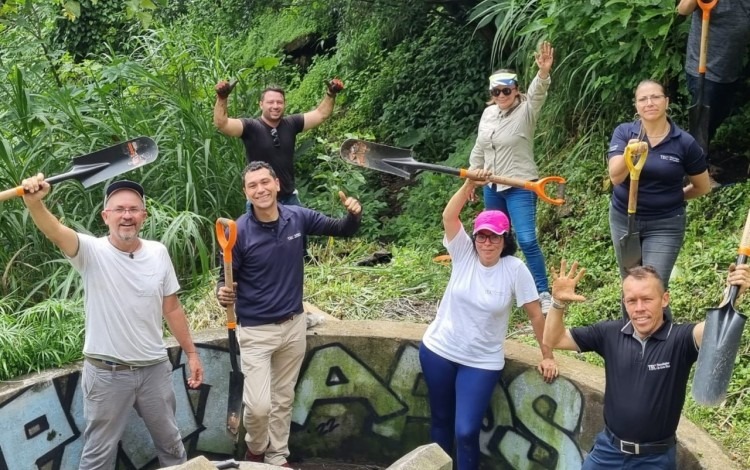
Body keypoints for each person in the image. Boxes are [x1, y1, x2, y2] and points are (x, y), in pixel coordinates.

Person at [19, 175, 204, 469]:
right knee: (98, 456)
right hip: (106, 374)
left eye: (133, 209)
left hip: (154, 370)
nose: (127, 215)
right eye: (119, 209)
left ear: (144, 215)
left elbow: (172, 308)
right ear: (106, 216)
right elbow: (55, 231)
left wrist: (192, 352)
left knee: (172, 445)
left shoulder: (158, 253)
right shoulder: (91, 252)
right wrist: (35, 203)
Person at [215, 161, 362, 467]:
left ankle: (277, 456)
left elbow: (341, 230)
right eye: (253, 185)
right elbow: (224, 280)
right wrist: (223, 293)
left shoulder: (297, 217)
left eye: (265, 182)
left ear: (277, 184)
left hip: (294, 325)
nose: (260, 189)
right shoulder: (237, 231)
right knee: (257, 407)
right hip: (255, 330)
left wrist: (353, 214)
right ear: (246, 192)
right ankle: (255, 448)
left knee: (283, 400)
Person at [543, 260, 750, 469]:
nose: (639, 308)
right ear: (624, 302)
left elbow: (715, 328)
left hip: (654, 460)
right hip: (608, 452)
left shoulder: (680, 339)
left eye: (647, 299)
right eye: (632, 300)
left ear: (664, 299)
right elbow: (554, 340)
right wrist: (557, 303)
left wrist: (732, 294)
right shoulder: (609, 334)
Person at [419, 174, 558, 470]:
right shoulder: (463, 254)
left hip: (481, 361)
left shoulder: (515, 270)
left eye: (494, 236)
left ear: (505, 238)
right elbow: (449, 215)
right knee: (441, 422)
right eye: (481, 235)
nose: (486, 242)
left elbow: (535, 314)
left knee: (466, 431)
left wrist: (547, 355)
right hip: (439, 350)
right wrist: (470, 184)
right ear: (474, 236)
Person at [607, 79, 711, 319]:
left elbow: (702, 186)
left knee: (653, 285)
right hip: (625, 220)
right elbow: (615, 176)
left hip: (665, 225)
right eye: (643, 99)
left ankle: (664, 346)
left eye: (655, 97)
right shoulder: (625, 133)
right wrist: (628, 153)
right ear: (636, 105)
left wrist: (674, 199)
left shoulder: (684, 143)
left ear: (667, 102)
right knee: (632, 285)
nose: (649, 103)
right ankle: (629, 342)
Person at [469, 41, 555, 313]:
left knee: (527, 239)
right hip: (492, 186)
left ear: (516, 90)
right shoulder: (488, 114)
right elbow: (480, 148)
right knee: (496, 238)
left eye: (507, 90)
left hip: (520, 185)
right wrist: (471, 178)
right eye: (497, 91)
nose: (502, 95)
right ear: (491, 93)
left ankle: (542, 292)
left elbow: (538, 93)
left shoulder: (526, 111)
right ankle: (499, 289)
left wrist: (542, 73)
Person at [213, 78, 344, 206]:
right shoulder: (250, 127)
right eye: (270, 102)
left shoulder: (292, 123)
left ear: (284, 104)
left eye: (279, 102)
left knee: (300, 228)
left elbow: (321, 114)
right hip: (260, 201)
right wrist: (222, 98)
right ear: (261, 104)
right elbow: (222, 124)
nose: (275, 106)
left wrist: (331, 94)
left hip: (289, 199)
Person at [678, 0, 750, 184]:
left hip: (729, 66)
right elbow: (683, 9)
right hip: (704, 67)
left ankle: (699, 162)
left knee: (719, 113)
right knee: (703, 121)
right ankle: (696, 175)